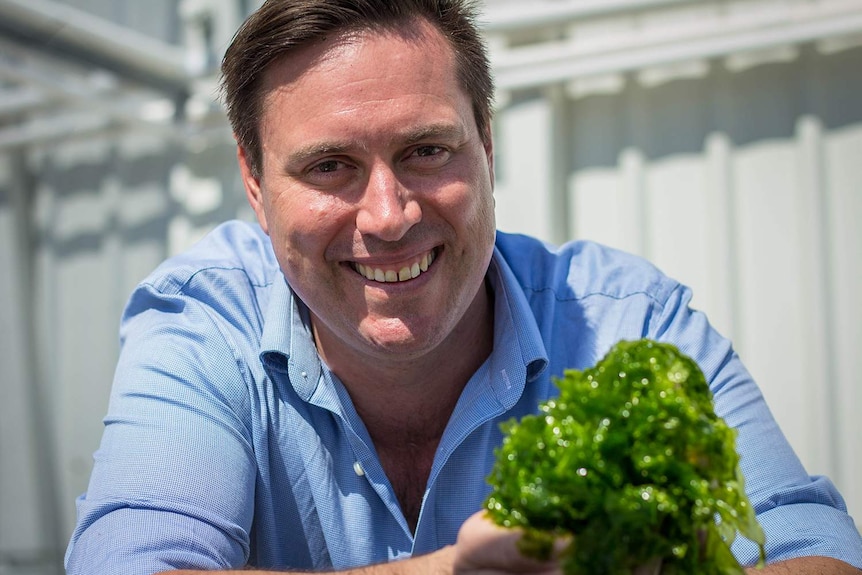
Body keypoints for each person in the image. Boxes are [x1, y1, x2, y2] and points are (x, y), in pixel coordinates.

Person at [64, 0, 862, 574]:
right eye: (329, 166)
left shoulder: (629, 322)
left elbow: (808, 543)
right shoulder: (206, 320)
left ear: (486, 141)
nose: (388, 215)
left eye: (425, 150)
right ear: (253, 181)